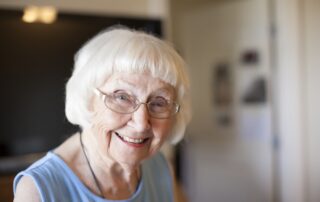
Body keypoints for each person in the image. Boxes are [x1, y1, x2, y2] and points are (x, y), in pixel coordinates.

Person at [13, 27, 191, 202]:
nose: (141, 123)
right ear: (88, 99)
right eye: (122, 97)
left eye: (159, 103)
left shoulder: (160, 167)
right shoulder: (38, 190)